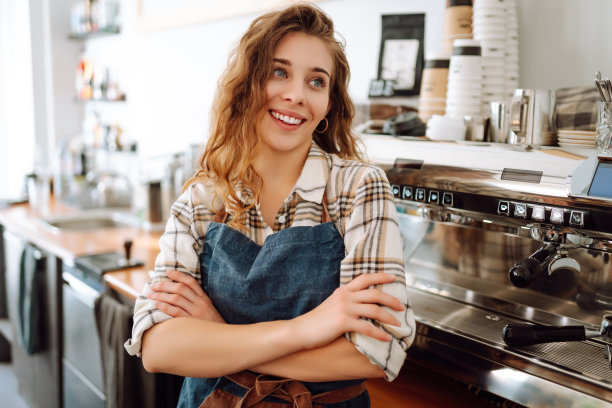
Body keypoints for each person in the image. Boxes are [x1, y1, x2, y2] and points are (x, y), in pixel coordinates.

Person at [125, 3, 416, 407]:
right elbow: (158, 348)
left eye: (316, 81)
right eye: (279, 72)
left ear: (328, 105)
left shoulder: (358, 189)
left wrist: (218, 334)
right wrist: (308, 328)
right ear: (247, 83)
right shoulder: (203, 200)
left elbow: (377, 352)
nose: (296, 94)